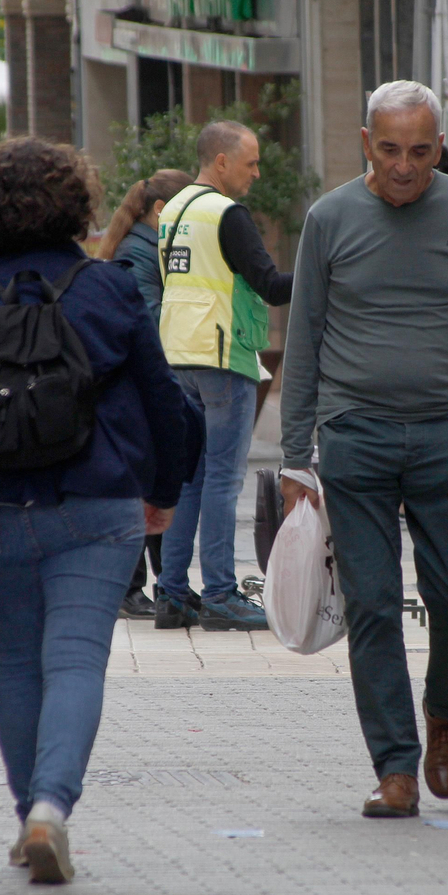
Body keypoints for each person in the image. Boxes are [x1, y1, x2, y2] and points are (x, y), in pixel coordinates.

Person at [0, 137, 187, 884]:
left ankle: (26, 808)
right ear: (76, 204)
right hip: (100, 503)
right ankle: (51, 811)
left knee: (16, 662)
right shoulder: (109, 289)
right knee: (75, 661)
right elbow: (162, 396)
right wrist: (164, 489)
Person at [280, 80, 448, 818]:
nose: (404, 166)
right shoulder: (329, 219)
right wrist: (296, 458)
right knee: (374, 605)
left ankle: (446, 710)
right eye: (388, 149)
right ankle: (395, 768)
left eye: (420, 151)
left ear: (439, 148)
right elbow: (303, 342)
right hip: (355, 438)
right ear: (365, 144)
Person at [153, 122, 293, 632]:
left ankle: (171, 593)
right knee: (222, 480)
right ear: (220, 162)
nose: (256, 173)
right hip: (220, 353)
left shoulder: (173, 210)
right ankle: (219, 593)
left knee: (191, 476)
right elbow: (271, 286)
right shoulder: (226, 214)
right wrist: (327, 272)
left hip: (178, 353)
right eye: (250, 162)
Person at [98, 168, 195, 619]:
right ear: (161, 211)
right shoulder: (139, 253)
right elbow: (145, 323)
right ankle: (130, 587)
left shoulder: (141, 244)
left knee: (150, 483)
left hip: (138, 383)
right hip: (138, 385)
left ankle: (162, 582)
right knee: (141, 485)